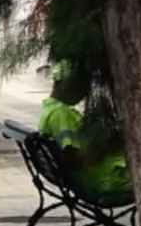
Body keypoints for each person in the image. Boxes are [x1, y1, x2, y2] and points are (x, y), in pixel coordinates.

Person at [38, 65, 131, 195]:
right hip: (103, 179)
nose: (84, 93)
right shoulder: (61, 114)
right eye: (81, 87)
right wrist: (101, 145)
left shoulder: (50, 109)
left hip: (95, 176)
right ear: (66, 85)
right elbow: (75, 159)